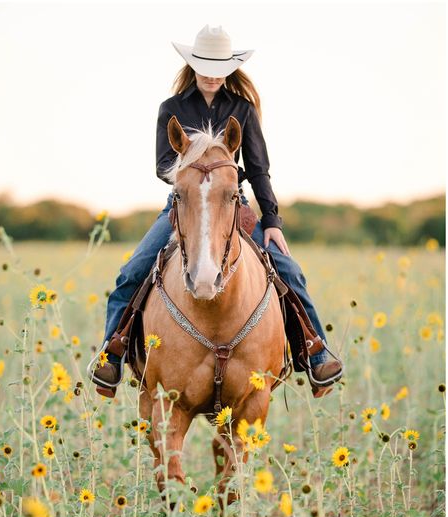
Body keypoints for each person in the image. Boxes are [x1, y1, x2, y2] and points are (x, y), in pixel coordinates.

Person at [88, 25, 343, 394]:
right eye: (203, 64)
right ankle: (111, 354)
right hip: (185, 204)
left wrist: (272, 221)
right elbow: (164, 165)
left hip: (232, 205)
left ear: (228, 68)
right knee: (132, 271)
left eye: (218, 66)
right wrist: (196, 169)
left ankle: (315, 354)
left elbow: (257, 169)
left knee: (289, 270)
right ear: (192, 65)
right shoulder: (171, 109)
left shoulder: (243, 109)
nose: (210, 73)